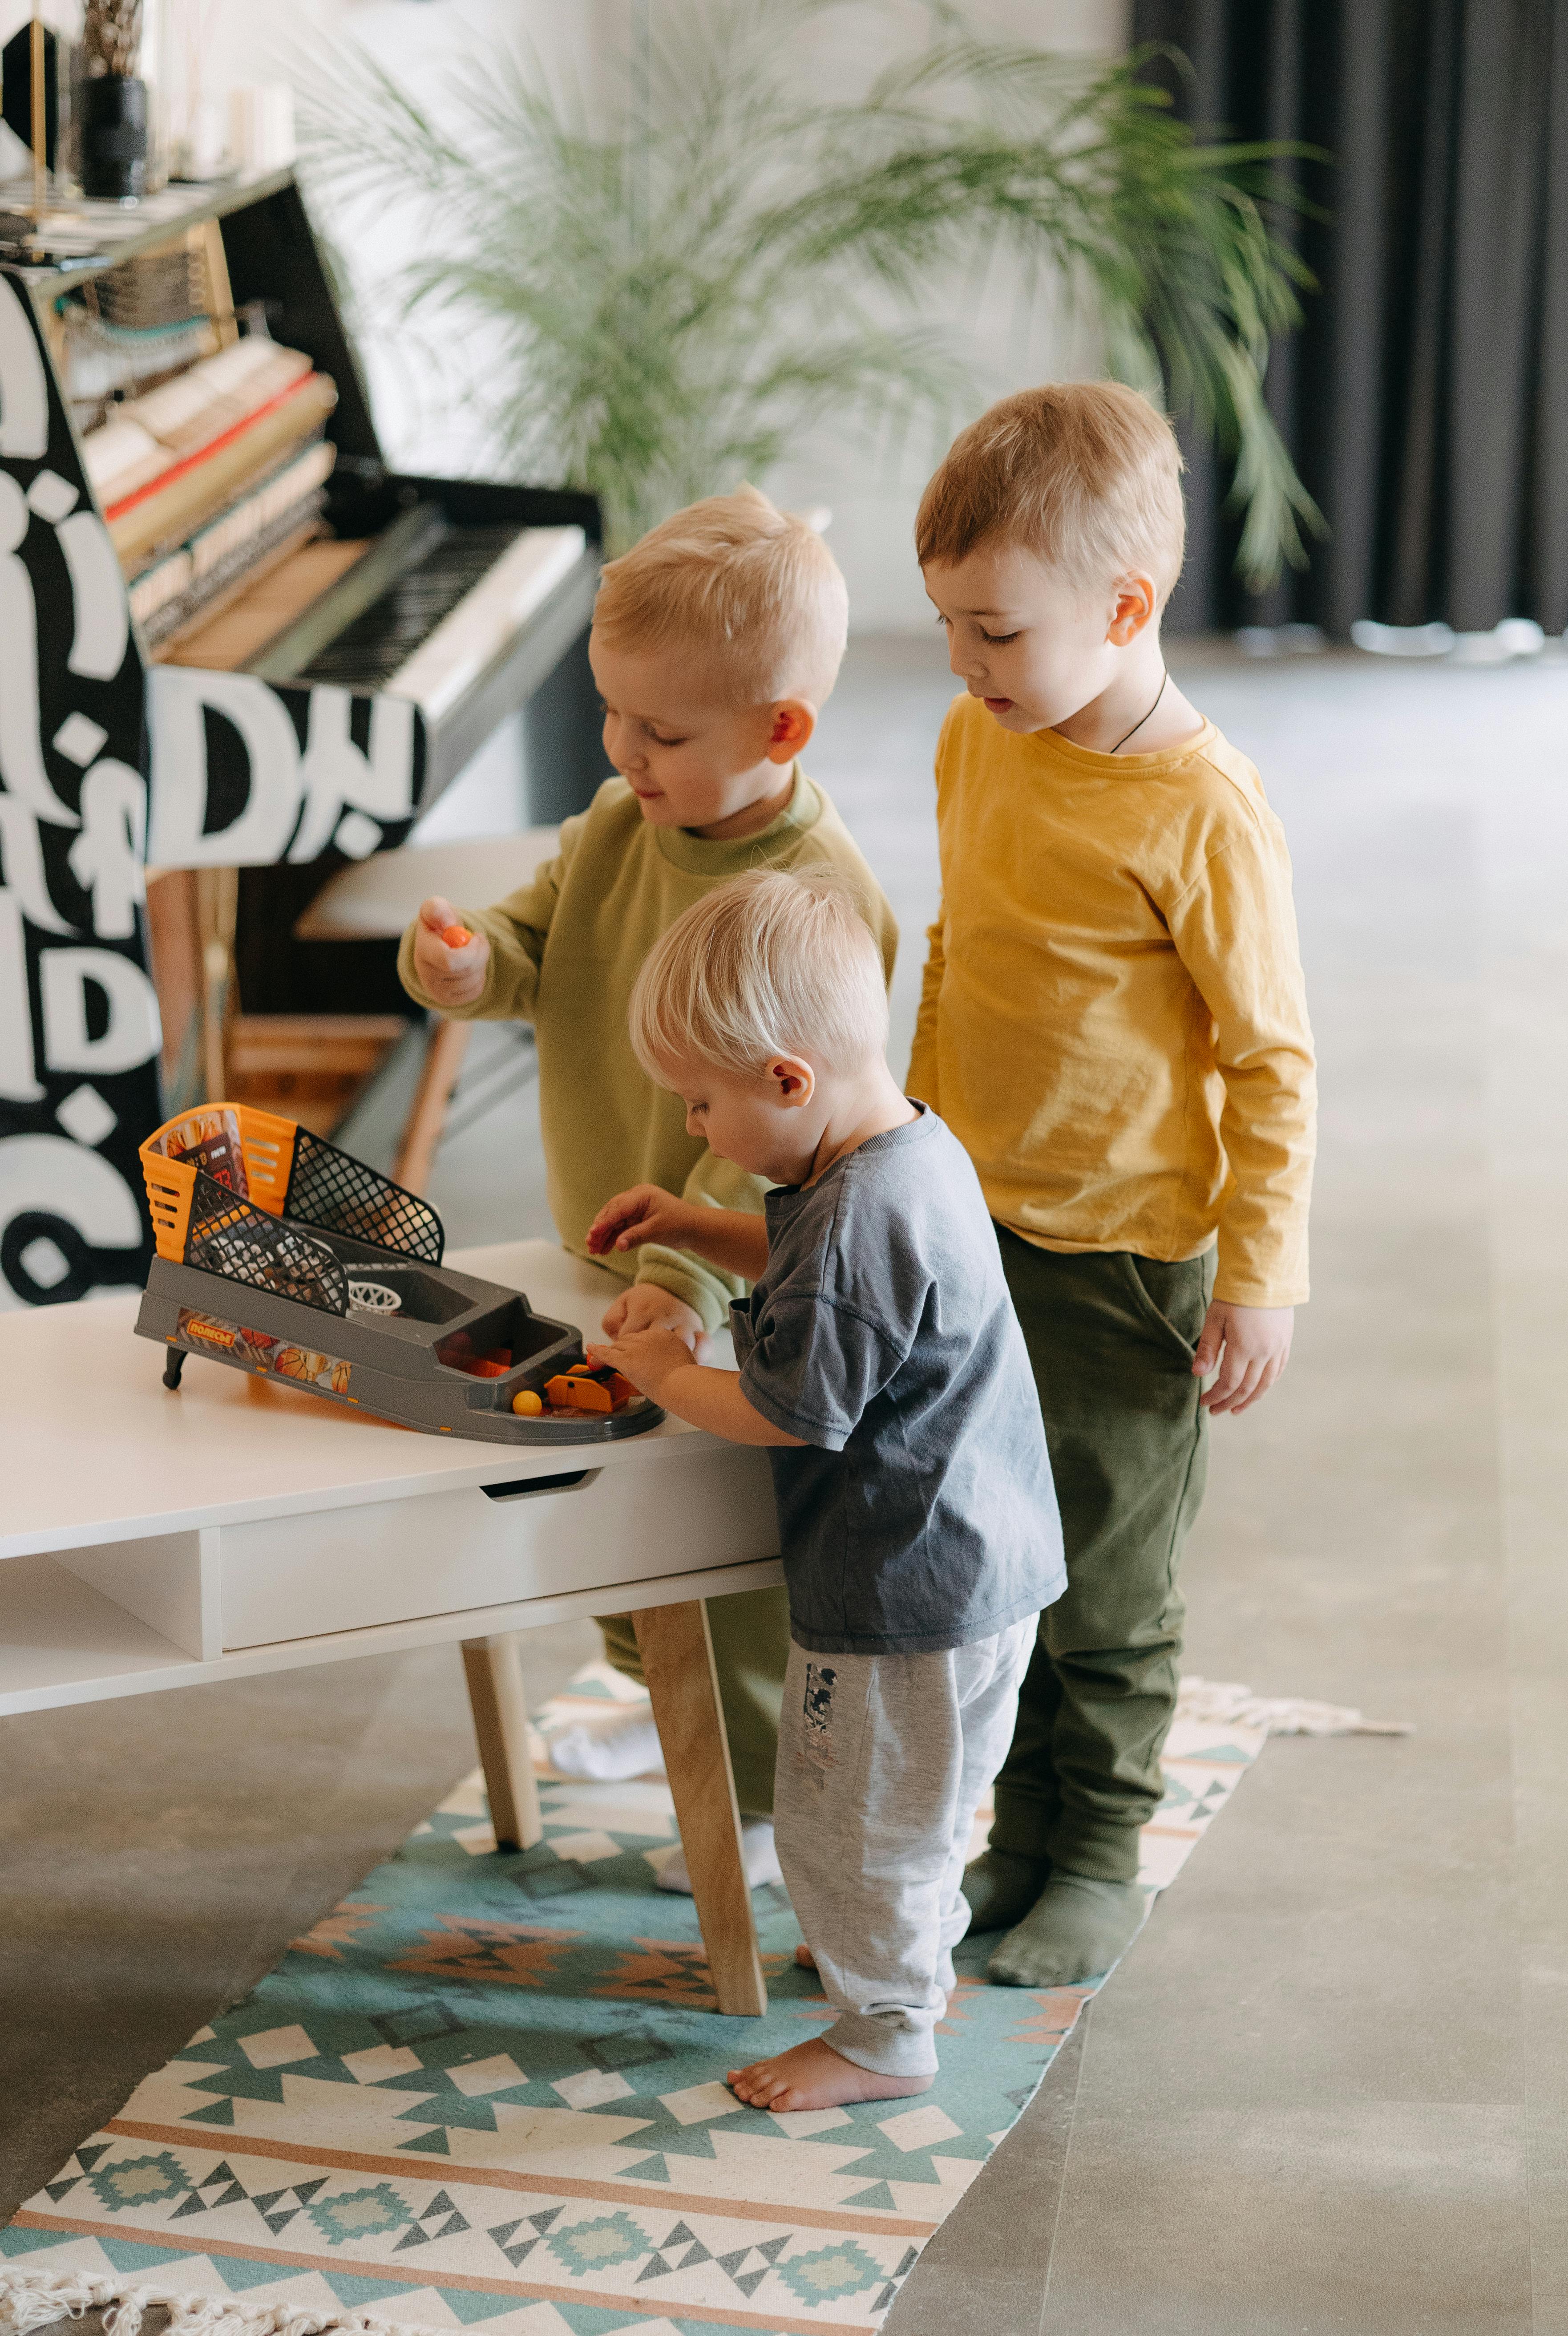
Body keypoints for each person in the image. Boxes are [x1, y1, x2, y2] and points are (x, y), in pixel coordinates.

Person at [398, 487, 897, 1890]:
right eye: (614, 717)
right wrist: (465, 966)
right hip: (608, 1231)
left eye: (661, 732)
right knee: (618, 1511)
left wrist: (685, 1281)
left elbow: (778, 1135)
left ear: (778, 731)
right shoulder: (625, 821)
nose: (624, 753)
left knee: (719, 1535)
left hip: (731, 1271)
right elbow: (532, 937)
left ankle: (744, 1788)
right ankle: (649, 1688)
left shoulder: (812, 896)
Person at [913, 381, 1317, 1988]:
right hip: (973, 1220)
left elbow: (1272, 1056)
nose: (963, 666)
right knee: (998, 1549)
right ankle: (1020, 1823)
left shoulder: (1198, 810)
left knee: (1109, 1575)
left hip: (1125, 1253)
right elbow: (954, 954)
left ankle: (1098, 1847)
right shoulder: (979, 734)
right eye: (948, 627)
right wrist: (912, 1151)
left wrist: (1261, 1270)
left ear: (1125, 605)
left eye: (995, 632)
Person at [586, 869, 1064, 2111]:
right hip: (986, 1560)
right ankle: (892, 1959)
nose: (693, 1124)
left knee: (844, 1823)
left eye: (700, 1103)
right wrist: (700, 1224)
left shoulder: (853, 1214)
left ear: (788, 1081)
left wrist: (661, 1368)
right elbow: (830, 1274)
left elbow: (784, 1410)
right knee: (909, 1808)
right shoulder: (906, 1147)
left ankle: (884, 2034)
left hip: (898, 1592)